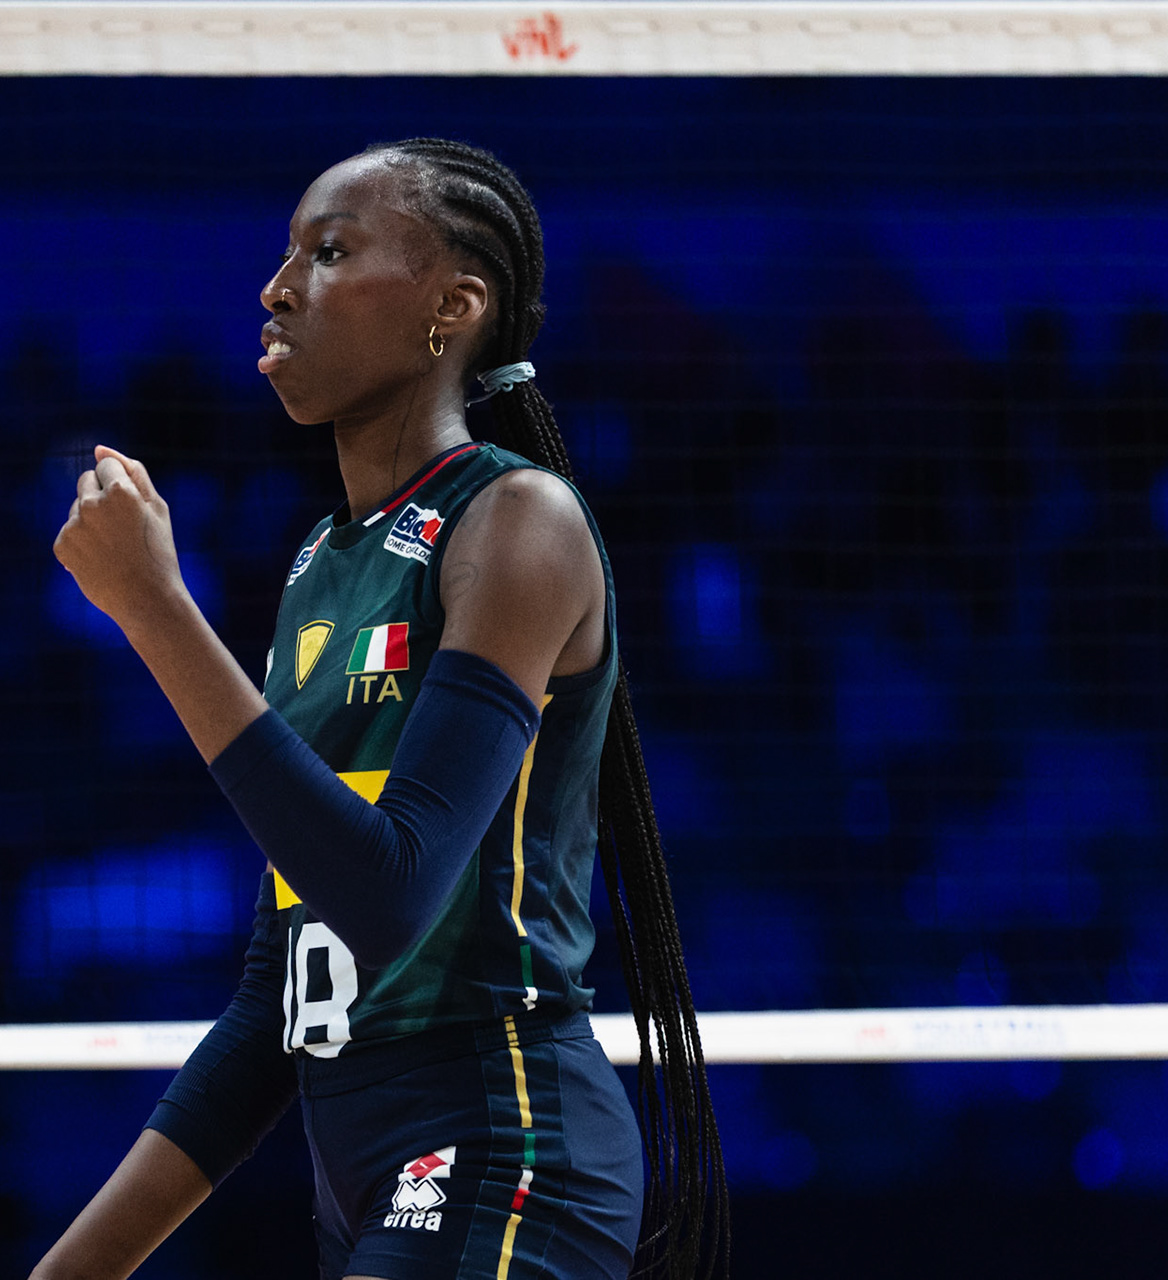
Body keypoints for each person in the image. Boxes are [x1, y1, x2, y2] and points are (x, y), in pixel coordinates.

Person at [38, 139, 727, 1280]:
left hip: (506, 1139)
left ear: (451, 308)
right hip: (355, 1166)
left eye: (330, 250)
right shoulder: (320, 564)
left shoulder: (518, 522)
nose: (277, 286)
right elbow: (281, 998)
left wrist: (156, 612)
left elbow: (386, 889)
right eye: (285, 253)